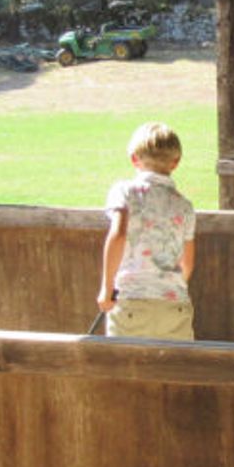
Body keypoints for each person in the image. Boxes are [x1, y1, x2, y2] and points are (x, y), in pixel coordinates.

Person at [97, 122, 196, 339]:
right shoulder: (184, 206)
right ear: (176, 162)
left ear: (134, 159)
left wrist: (106, 288)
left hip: (131, 302)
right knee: (173, 370)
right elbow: (187, 263)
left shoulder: (124, 192)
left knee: (126, 370)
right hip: (174, 306)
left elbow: (119, 235)